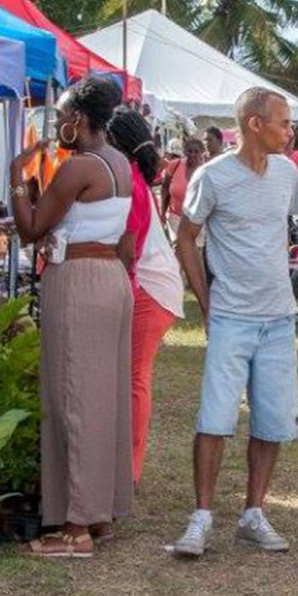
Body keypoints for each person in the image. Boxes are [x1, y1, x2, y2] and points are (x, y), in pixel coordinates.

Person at [171, 87, 298, 558]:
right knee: (215, 417)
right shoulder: (213, 176)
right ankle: (202, 516)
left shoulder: (288, 174)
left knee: (271, 419)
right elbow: (186, 239)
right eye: (283, 123)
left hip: (279, 316)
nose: (290, 132)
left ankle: (253, 513)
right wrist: (206, 303)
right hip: (231, 315)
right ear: (254, 124)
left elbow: (282, 234)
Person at [10, 76, 136, 557]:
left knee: (74, 399)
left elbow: (32, 226)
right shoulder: (119, 161)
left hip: (79, 281)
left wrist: (18, 178)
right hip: (108, 279)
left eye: (62, 116)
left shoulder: (80, 166)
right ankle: (98, 513)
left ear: (79, 120)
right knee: (102, 398)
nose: (58, 124)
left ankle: (76, 527)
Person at [106, 108, 184, 484]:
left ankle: (129, 472)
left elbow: (129, 252)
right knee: (131, 378)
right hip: (153, 287)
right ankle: (124, 466)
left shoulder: (130, 180)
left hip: (149, 290)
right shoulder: (131, 176)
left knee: (135, 378)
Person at [160, 136, 207, 238]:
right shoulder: (174, 165)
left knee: (196, 251)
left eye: (196, 151)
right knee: (178, 250)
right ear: (185, 152)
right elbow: (165, 189)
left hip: (198, 221)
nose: (193, 154)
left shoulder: (206, 170)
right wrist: (162, 212)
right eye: (190, 151)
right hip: (175, 217)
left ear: (202, 152)